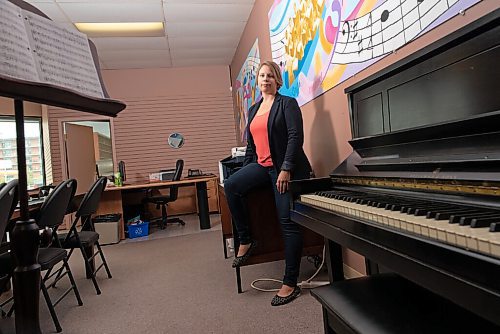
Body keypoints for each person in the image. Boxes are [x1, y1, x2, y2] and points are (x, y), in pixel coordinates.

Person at [224, 60, 312, 306]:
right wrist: (246, 172)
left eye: (270, 76)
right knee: (232, 185)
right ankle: (246, 239)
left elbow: (296, 137)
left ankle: (290, 282)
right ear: (258, 81)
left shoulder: (287, 104)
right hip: (261, 167)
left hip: (283, 170)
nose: (265, 79)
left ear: (277, 80)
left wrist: (286, 169)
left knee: (287, 222)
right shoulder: (253, 109)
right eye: (262, 76)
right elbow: (252, 146)